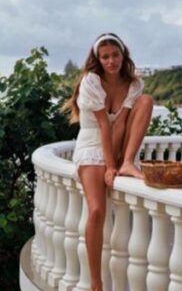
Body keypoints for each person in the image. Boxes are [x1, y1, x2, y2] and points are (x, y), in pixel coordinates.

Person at [63, 33, 153, 291]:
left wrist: (119, 161)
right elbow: (103, 125)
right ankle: (96, 283)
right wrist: (107, 165)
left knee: (146, 102)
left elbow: (122, 122)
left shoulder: (134, 84)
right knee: (97, 210)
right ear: (97, 59)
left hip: (118, 143)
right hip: (92, 144)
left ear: (123, 55)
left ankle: (128, 163)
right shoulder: (91, 81)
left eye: (115, 55)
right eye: (105, 57)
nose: (111, 61)